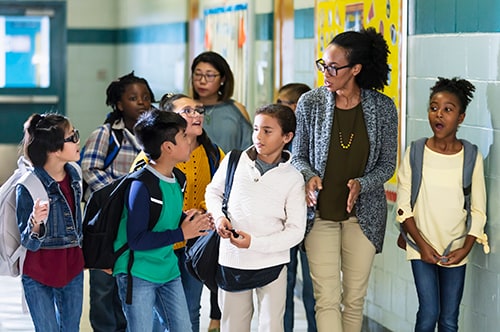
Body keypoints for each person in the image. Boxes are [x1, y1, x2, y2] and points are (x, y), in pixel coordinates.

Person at [291, 27, 398, 332]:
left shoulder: (382, 108)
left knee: (354, 299)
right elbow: (298, 156)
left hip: (362, 217)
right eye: (323, 64)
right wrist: (309, 176)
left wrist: (363, 183)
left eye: (334, 67)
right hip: (320, 214)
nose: (326, 72)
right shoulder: (310, 103)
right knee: (326, 298)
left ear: (356, 69)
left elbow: (387, 164)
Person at [396, 77, 488, 332]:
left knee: (449, 319)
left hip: (456, 248)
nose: (439, 114)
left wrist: (466, 248)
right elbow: (404, 206)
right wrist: (423, 246)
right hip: (420, 244)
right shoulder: (415, 152)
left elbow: (478, 211)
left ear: (461, 118)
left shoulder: (471, 155)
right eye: (434, 107)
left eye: (448, 109)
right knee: (429, 312)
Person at [205, 103, 307, 332]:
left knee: (271, 327)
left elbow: (295, 230)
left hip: (273, 264)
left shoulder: (293, 178)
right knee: (233, 326)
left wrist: (255, 243)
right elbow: (213, 192)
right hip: (233, 260)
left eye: (267, 131)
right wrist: (219, 218)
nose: (258, 137)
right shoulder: (233, 160)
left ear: (287, 136)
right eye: (256, 129)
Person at [131, 93, 225, 332]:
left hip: (196, 243)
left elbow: (225, 193)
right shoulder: (148, 163)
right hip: (160, 247)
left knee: (190, 309)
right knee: (157, 313)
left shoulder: (214, 153)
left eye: (199, 110)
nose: (196, 115)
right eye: (188, 111)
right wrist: (184, 217)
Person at [80, 71, 155, 332]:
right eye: (134, 98)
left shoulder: (155, 135)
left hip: (136, 221)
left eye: (146, 97)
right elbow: (89, 168)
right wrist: (120, 194)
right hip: (106, 221)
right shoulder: (107, 134)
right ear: (120, 104)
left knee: (128, 280)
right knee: (103, 283)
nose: (142, 102)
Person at [16, 113, 84, 331]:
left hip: (72, 268)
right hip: (38, 273)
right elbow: (29, 243)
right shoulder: (28, 185)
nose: (77, 141)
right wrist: (36, 222)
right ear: (55, 149)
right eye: (72, 137)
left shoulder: (75, 175)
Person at [277, 83, 317, 332]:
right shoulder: (276, 138)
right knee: (283, 286)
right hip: (281, 223)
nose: (278, 108)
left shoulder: (314, 139)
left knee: (314, 290)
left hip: (312, 222)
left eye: (283, 104)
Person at [191, 51, 253, 154]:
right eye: (198, 74)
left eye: (209, 75)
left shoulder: (236, 109)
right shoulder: (185, 109)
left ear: (222, 79)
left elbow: (249, 148)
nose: (202, 81)